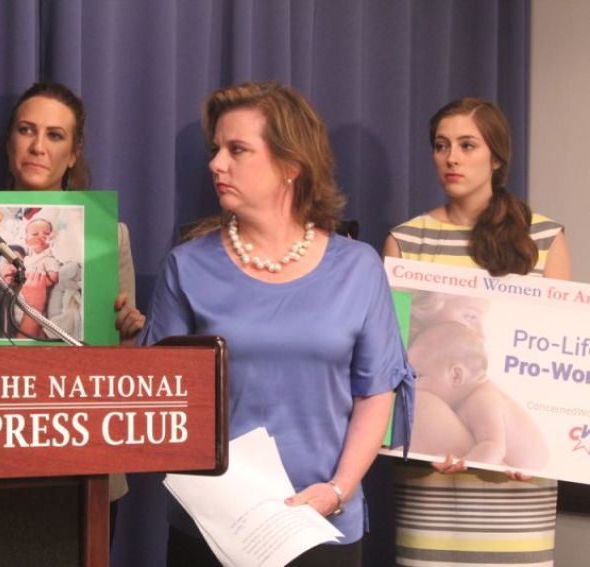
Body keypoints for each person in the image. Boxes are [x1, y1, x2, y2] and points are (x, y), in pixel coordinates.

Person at [138, 81, 414, 566]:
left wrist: (337, 489)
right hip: (215, 530)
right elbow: (162, 400)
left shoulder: (359, 267)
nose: (216, 164)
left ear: (291, 165)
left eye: (237, 149)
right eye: (216, 149)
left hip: (322, 523)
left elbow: (375, 394)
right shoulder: (187, 266)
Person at [384, 97, 571, 566]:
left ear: (497, 157)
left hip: (516, 491)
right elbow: (390, 358)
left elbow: (561, 353)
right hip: (432, 484)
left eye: (467, 145)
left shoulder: (544, 239)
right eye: (441, 145)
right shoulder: (407, 240)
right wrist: (418, 444)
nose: (451, 157)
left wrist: (542, 446)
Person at [2, 80, 145, 532]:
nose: (38, 146)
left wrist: (125, 335)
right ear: (10, 140)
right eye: (27, 130)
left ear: (74, 151)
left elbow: (120, 368)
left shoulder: (109, 235)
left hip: (84, 455)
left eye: (55, 135)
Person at [408, 321, 548, 469]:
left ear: (456, 376)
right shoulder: (466, 395)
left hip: (529, 468)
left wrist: (461, 464)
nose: (410, 383)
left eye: (417, 375)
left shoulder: (482, 401)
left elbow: (493, 449)